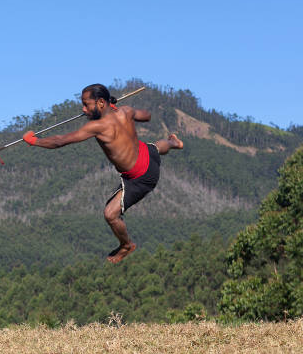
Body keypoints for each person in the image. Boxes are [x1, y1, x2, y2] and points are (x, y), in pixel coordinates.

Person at [22, 83, 183, 263]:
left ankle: (126, 245)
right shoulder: (126, 111)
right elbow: (147, 116)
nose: (83, 109)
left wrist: (34, 141)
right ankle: (173, 143)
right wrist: (116, 108)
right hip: (146, 156)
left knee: (110, 214)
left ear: (100, 103)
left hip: (141, 177)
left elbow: (60, 141)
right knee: (156, 147)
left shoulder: (97, 127)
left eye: (86, 104)